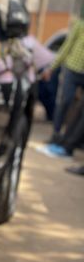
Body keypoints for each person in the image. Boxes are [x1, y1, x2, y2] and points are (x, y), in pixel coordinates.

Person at [38, 16, 84, 158]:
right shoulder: (80, 25)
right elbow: (66, 47)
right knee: (65, 101)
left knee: (79, 110)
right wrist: (52, 68)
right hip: (71, 69)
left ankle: (69, 143)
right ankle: (56, 135)